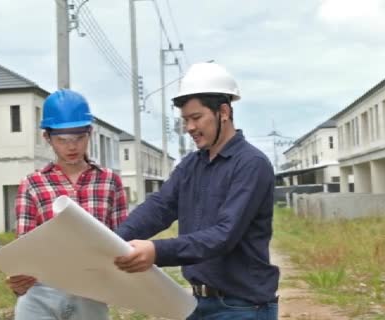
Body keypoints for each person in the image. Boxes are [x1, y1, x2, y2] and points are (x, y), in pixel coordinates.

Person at [114, 62, 279, 319]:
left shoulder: (250, 164)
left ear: (223, 112)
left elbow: (224, 235)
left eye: (196, 117)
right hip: (198, 304)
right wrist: (114, 240)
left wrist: (156, 251)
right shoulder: (192, 164)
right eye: (185, 120)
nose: (189, 127)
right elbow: (160, 206)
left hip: (242, 307)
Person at [7, 89, 128, 320]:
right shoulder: (33, 184)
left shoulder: (109, 181)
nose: (71, 147)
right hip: (40, 294)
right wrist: (17, 277)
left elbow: (122, 240)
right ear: (47, 138)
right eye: (62, 140)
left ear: (89, 133)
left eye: (78, 138)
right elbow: (24, 246)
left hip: (91, 294)